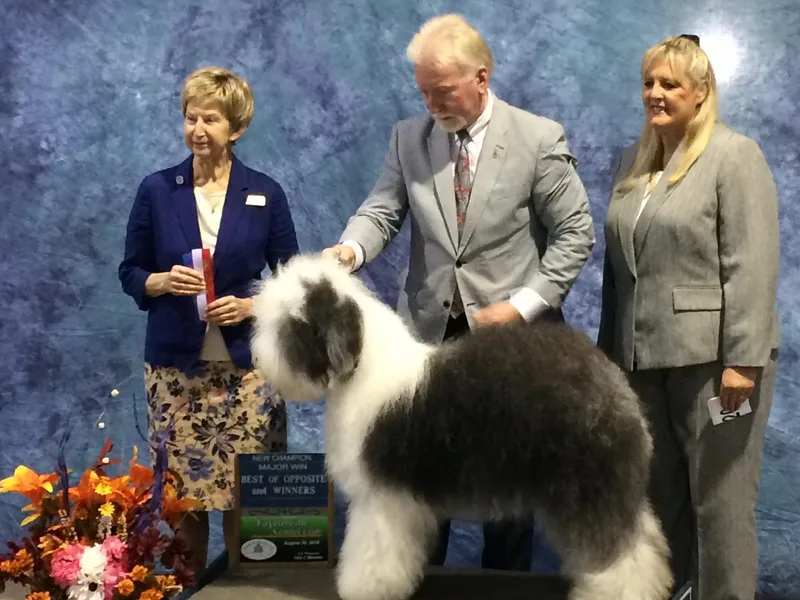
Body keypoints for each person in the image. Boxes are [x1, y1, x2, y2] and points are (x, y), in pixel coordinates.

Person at [324, 14, 595, 571]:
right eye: (423, 91)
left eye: (442, 91)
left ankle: (504, 583)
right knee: (420, 477)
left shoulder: (538, 138)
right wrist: (350, 251)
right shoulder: (409, 138)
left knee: (512, 479)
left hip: (515, 344)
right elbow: (382, 210)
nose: (431, 103)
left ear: (481, 77)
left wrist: (521, 306)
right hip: (426, 343)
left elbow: (576, 233)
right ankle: (419, 578)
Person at [598, 36, 780, 600]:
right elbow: (619, 272)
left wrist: (743, 362)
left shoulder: (736, 155)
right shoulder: (633, 159)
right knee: (658, 499)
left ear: (701, 93)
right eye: (649, 83)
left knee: (720, 504)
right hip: (641, 365)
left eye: (669, 84)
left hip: (718, 368)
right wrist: (609, 361)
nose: (655, 93)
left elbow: (751, 263)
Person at [118, 66, 299, 578]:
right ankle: (187, 588)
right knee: (183, 505)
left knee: (248, 496)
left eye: (210, 119)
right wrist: (159, 282)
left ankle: (253, 590)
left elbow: (294, 281)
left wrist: (251, 306)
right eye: (190, 117)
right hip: (177, 372)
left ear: (235, 128)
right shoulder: (156, 190)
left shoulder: (266, 192)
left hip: (249, 373)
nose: (197, 129)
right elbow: (130, 271)